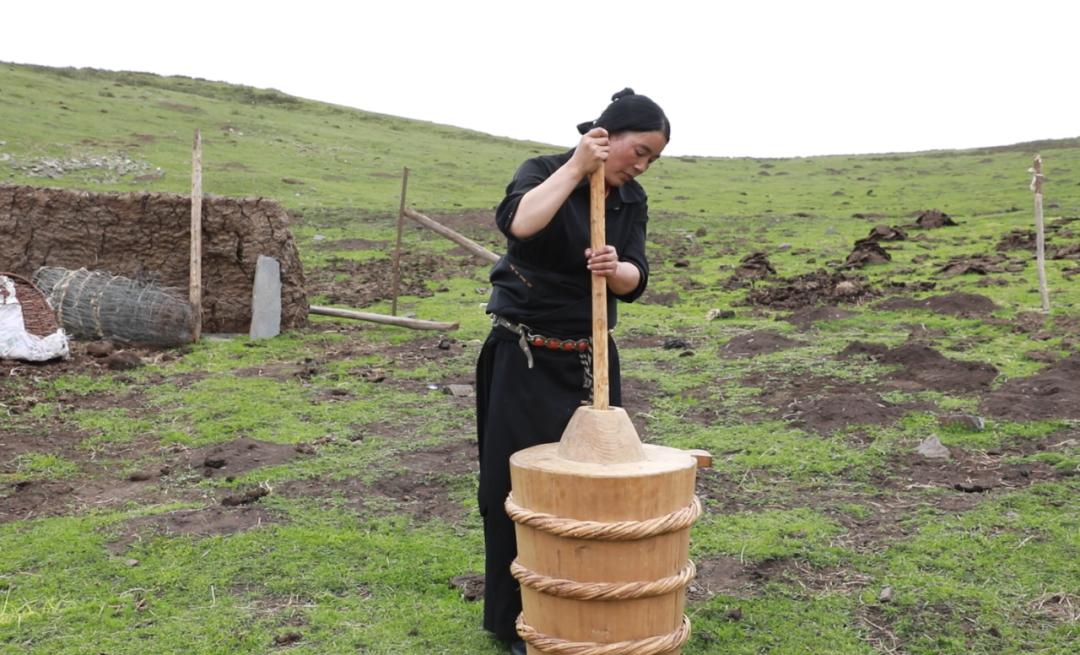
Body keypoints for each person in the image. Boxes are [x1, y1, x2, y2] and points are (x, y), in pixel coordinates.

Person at [475, 88, 670, 653]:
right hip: (524, 354)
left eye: (652, 159)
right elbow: (519, 225)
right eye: (639, 150)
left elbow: (638, 277)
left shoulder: (630, 200)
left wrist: (618, 269)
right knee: (512, 490)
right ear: (606, 137)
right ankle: (517, 621)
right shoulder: (542, 170)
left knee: (594, 487)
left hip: (591, 361)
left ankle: (587, 600)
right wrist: (575, 167)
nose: (641, 164)